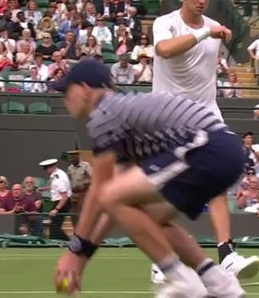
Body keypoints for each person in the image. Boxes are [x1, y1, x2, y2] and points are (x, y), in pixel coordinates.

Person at [52, 60, 246, 297]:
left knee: (111, 195)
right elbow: (112, 207)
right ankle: (219, 282)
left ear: (84, 88)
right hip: (225, 150)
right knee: (144, 213)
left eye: (66, 91)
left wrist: (74, 252)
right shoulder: (123, 115)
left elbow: (101, 193)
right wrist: (83, 256)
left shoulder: (104, 113)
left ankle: (181, 280)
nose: (64, 99)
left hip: (208, 147)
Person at [150, 0, 259, 282]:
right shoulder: (166, 23)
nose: (201, 0)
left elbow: (237, 57)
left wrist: (235, 41)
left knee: (219, 181)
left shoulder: (214, 28)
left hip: (206, 113)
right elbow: (165, 50)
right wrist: (206, 34)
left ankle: (227, 256)